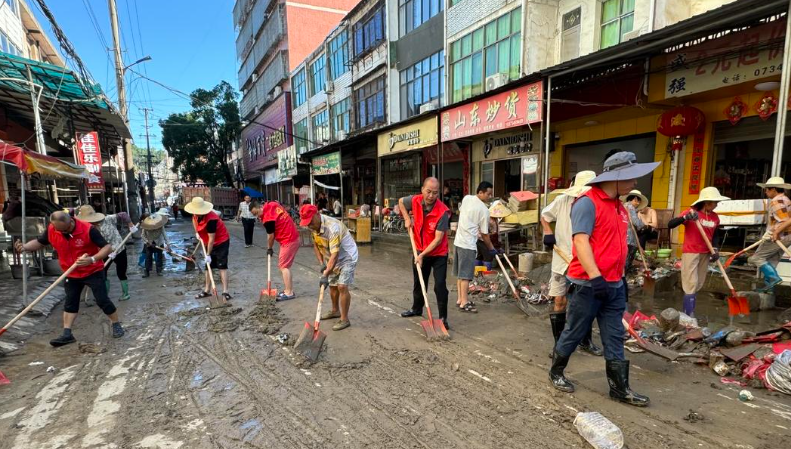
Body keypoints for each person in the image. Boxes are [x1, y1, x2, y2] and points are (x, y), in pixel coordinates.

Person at [550, 151, 659, 407]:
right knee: (575, 331)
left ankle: (620, 388)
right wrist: (596, 277)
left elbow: (618, 244)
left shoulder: (620, 206)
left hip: (614, 284)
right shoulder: (587, 203)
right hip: (589, 284)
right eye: (631, 178)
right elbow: (580, 240)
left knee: (613, 336)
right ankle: (556, 371)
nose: (635, 184)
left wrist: (619, 278)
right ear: (616, 177)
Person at [15, 211, 125, 346]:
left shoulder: (87, 229)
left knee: (102, 300)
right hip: (71, 272)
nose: (63, 232)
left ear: (71, 221)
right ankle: (67, 333)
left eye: (66, 229)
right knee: (70, 302)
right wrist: (25, 247)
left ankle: (116, 324)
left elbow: (107, 247)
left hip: (93, 271)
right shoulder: (52, 229)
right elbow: (40, 242)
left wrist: (92, 259)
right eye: (59, 230)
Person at [541, 171, 602, 357]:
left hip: (584, 260)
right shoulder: (562, 201)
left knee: (585, 304)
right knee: (559, 300)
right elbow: (545, 216)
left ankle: (585, 341)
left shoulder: (595, 204)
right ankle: (559, 346)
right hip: (562, 258)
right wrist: (547, 233)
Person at [398, 177, 453, 328]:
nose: (431, 196)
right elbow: (401, 201)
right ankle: (417, 308)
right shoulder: (415, 200)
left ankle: (443, 318)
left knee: (440, 285)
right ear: (422, 189)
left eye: (435, 193)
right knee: (419, 282)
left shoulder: (443, 212)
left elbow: (438, 239)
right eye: (428, 192)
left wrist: (421, 255)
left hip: (438, 253)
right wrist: (406, 218)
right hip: (419, 248)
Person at [667, 186, 728, 316]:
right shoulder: (692, 212)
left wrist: (715, 249)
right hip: (691, 251)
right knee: (690, 282)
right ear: (706, 202)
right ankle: (688, 314)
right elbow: (670, 224)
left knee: (699, 283)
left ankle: (689, 310)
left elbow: (716, 235)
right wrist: (686, 218)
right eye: (715, 202)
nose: (717, 205)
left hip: (705, 252)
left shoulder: (715, 217)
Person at [301, 203, 358, 331]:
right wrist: (322, 263)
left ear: (317, 214)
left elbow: (335, 254)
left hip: (347, 257)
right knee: (332, 286)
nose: (309, 225)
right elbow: (316, 245)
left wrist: (325, 274)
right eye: (307, 223)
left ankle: (344, 319)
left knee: (342, 286)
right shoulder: (313, 227)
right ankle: (335, 311)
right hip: (331, 257)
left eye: (310, 221)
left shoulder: (332, 228)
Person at [76, 205, 136, 302]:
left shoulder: (108, 219)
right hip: (103, 253)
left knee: (121, 272)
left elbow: (124, 215)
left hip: (118, 249)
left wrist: (131, 225)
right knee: (102, 273)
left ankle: (125, 293)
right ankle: (104, 295)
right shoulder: (87, 227)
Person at [453, 181, 496, 315]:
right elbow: (484, 234)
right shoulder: (484, 210)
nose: (489, 196)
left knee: (460, 274)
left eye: (490, 194)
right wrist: (492, 248)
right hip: (468, 245)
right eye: (488, 194)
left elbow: (464, 215)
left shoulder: (467, 198)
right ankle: (465, 302)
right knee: (466, 275)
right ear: (480, 192)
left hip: (458, 241)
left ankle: (460, 299)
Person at [748, 177, 791, 292]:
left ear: (774, 189)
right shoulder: (786, 199)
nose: (765, 191)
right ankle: (769, 289)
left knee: (757, 257)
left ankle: (773, 278)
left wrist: (775, 232)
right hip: (787, 236)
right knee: (772, 260)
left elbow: (785, 220)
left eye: (767, 189)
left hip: (780, 236)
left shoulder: (777, 201)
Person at [185, 197, 232, 301]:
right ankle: (207, 290)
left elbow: (212, 239)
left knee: (222, 266)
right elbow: (194, 221)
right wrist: (197, 233)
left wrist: (208, 254)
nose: (195, 213)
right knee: (208, 267)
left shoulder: (211, 220)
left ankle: (225, 291)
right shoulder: (196, 215)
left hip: (221, 241)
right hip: (208, 241)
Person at [251, 200, 300, 301]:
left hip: (288, 240)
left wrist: (269, 248)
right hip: (293, 237)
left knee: (283, 266)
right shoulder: (272, 204)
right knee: (286, 266)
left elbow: (270, 236)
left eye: (256, 213)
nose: (257, 216)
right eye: (254, 215)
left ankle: (289, 293)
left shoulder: (267, 219)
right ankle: (288, 289)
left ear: (260, 207)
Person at [621, 190, 647, 271]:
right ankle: (625, 275)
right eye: (637, 201)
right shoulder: (630, 207)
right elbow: (636, 222)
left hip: (622, 235)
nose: (638, 203)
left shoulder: (623, 206)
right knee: (628, 258)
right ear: (634, 199)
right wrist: (643, 225)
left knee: (623, 258)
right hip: (629, 237)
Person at [141, 213, 170, 278]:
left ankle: (159, 271)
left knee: (159, 257)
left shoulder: (160, 225)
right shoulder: (145, 226)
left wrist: (168, 244)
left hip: (159, 242)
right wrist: (147, 242)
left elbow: (165, 235)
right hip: (149, 243)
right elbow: (142, 235)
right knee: (148, 257)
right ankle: (147, 272)